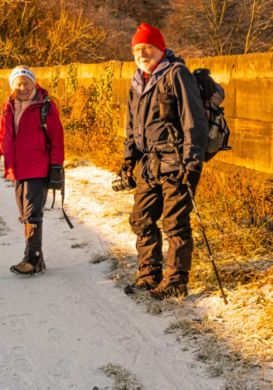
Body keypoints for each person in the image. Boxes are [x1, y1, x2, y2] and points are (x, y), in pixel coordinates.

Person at [121, 23, 208, 300]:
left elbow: (194, 121)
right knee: (142, 220)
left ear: (160, 49)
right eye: (137, 49)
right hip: (148, 165)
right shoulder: (137, 80)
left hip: (175, 163)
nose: (142, 53)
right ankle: (149, 275)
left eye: (147, 47)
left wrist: (193, 162)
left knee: (175, 223)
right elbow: (131, 124)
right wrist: (128, 158)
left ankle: (175, 281)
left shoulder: (176, 74)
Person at [0, 66, 65, 276]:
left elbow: (57, 138)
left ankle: (32, 260)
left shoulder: (46, 106)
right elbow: (2, 136)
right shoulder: (7, 106)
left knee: (31, 213)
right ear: (12, 86)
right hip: (16, 169)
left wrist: (56, 166)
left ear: (33, 83)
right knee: (24, 213)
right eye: (17, 83)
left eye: (26, 82)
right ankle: (37, 257)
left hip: (38, 166)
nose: (22, 87)